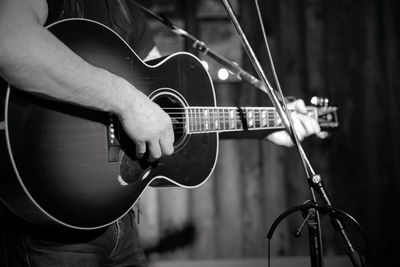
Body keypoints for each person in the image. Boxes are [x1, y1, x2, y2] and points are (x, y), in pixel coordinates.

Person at [0, 0, 320, 266]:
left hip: (119, 220)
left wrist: (263, 129)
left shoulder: (126, 8)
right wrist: (127, 101)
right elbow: (8, 41)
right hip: (49, 226)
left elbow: (166, 117)